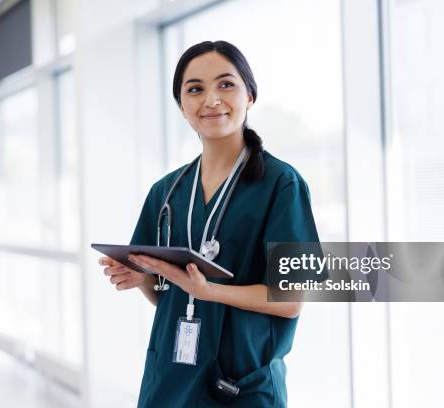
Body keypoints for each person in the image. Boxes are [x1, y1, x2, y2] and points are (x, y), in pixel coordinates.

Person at [99, 40, 319, 407]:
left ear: (249, 95)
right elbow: (175, 299)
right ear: (182, 106)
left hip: (242, 388)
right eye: (195, 89)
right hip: (170, 383)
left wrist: (209, 291)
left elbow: (291, 300)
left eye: (226, 84)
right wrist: (142, 280)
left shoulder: (282, 184)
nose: (211, 99)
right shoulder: (166, 193)